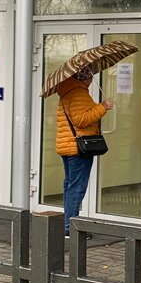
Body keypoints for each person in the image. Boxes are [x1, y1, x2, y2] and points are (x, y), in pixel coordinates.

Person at [55, 67, 114, 235]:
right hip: (79, 149)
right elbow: (81, 120)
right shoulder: (78, 93)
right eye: (90, 76)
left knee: (70, 186)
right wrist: (103, 107)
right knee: (76, 188)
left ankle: (68, 225)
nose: (92, 79)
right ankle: (70, 229)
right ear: (84, 78)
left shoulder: (67, 92)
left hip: (68, 146)